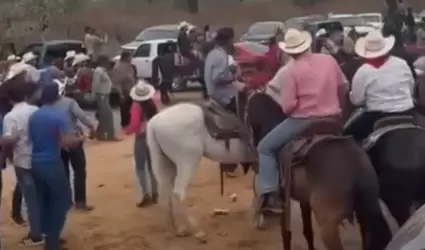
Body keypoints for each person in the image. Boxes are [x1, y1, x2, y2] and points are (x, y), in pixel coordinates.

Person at [257, 28, 347, 210]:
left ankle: (270, 194)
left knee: (265, 148)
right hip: (333, 118)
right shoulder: (329, 60)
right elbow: (343, 87)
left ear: (289, 51)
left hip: (304, 121)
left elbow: (288, 106)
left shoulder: (289, 70)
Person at [29, 82, 84, 250]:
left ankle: (47, 234)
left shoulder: (34, 115)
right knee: (63, 200)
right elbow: (68, 143)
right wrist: (81, 139)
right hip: (51, 162)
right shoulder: (57, 116)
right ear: (57, 96)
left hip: (35, 162)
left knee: (45, 199)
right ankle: (52, 241)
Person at [345, 30, 415, 141]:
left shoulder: (363, 71)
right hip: (407, 111)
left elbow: (357, 101)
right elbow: (411, 87)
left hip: (377, 116)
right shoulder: (401, 63)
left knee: (349, 135)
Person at [1, 77, 44, 246]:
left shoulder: (10, 117)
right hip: (41, 158)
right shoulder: (36, 110)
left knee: (31, 198)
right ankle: (47, 229)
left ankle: (35, 234)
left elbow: (9, 141)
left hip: (22, 160)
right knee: (42, 196)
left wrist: (9, 156)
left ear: (10, 98)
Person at [50, 79, 96, 212]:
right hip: (74, 140)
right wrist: (92, 127)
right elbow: (82, 117)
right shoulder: (69, 102)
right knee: (79, 171)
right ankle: (80, 203)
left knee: (63, 172)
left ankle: (67, 202)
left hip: (58, 143)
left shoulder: (47, 105)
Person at [118, 80, 159, 207]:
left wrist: (126, 131)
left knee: (140, 167)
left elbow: (135, 124)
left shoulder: (136, 106)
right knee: (153, 166)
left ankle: (145, 194)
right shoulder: (152, 102)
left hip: (141, 136)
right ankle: (155, 193)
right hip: (153, 135)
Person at [92, 55, 117, 141]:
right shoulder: (98, 71)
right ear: (103, 62)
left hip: (105, 95)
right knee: (108, 115)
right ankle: (110, 136)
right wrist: (95, 95)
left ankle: (100, 135)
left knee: (103, 116)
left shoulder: (103, 71)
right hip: (102, 95)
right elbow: (95, 84)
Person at [112, 51, 136, 127]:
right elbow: (117, 82)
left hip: (130, 91)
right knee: (124, 110)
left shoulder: (129, 66)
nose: (131, 59)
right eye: (130, 57)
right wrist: (121, 93)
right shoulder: (118, 67)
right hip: (124, 91)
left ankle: (129, 125)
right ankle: (125, 126)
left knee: (130, 110)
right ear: (126, 58)